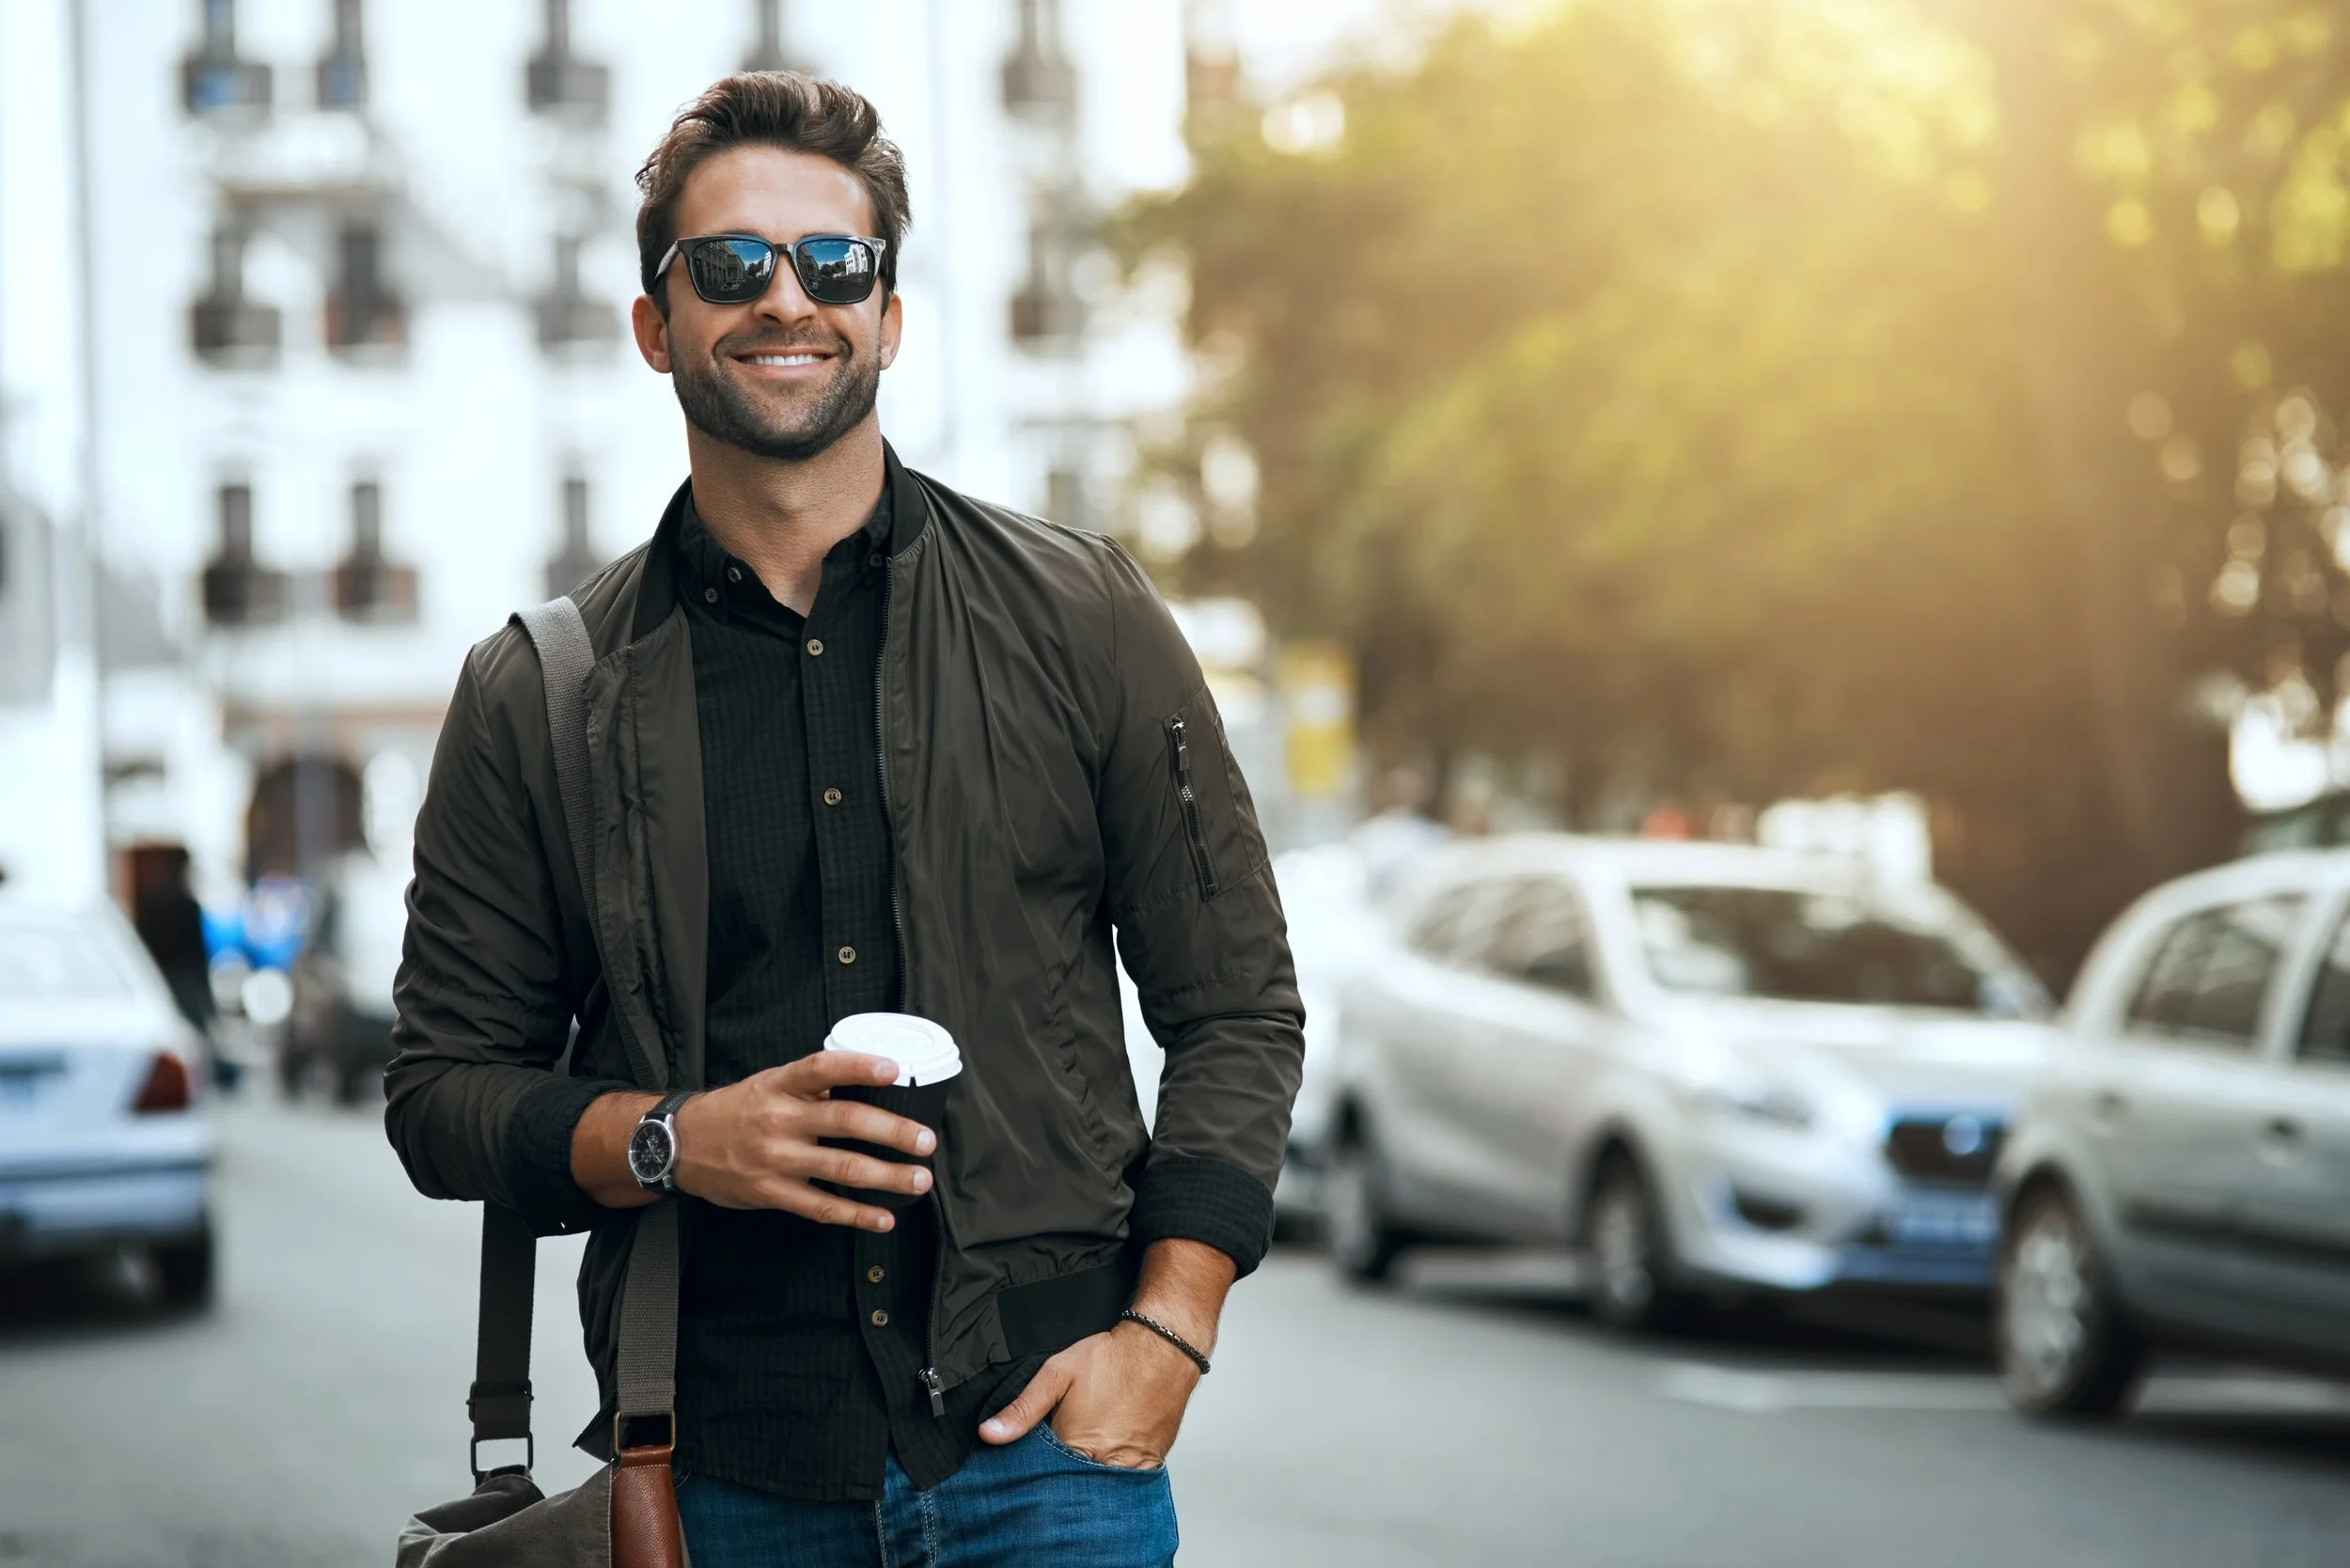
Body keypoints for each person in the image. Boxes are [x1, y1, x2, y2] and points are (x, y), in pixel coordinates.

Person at [384, 71, 1302, 1568]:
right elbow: (439, 1097)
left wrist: (1168, 1334)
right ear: (654, 322)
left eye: (835, 263)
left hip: (1049, 1453)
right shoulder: (537, 693)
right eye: (731, 266)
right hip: (718, 1467)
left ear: (888, 314)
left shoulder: (1088, 618)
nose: (785, 299)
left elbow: (1239, 1007)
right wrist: (683, 1140)